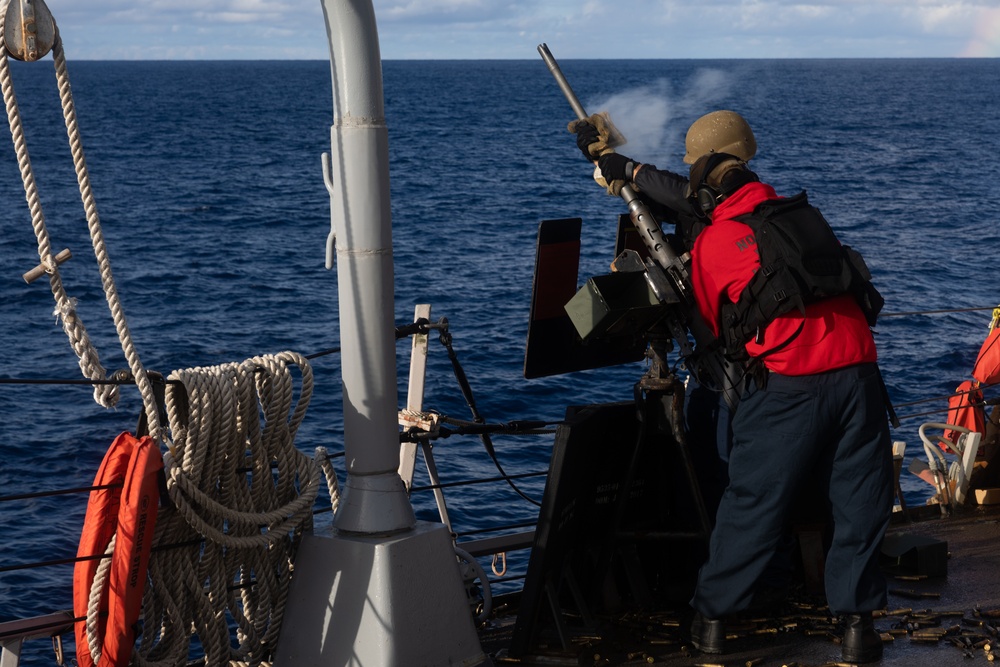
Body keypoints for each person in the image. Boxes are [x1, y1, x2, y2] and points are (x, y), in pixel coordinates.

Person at [572, 110, 894, 664]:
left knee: (752, 504)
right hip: (861, 377)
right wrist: (624, 167)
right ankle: (858, 630)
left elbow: (710, 331)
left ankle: (712, 624)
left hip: (792, 385)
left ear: (704, 191)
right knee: (859, 505)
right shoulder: (801, 215)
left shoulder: (719, 240)